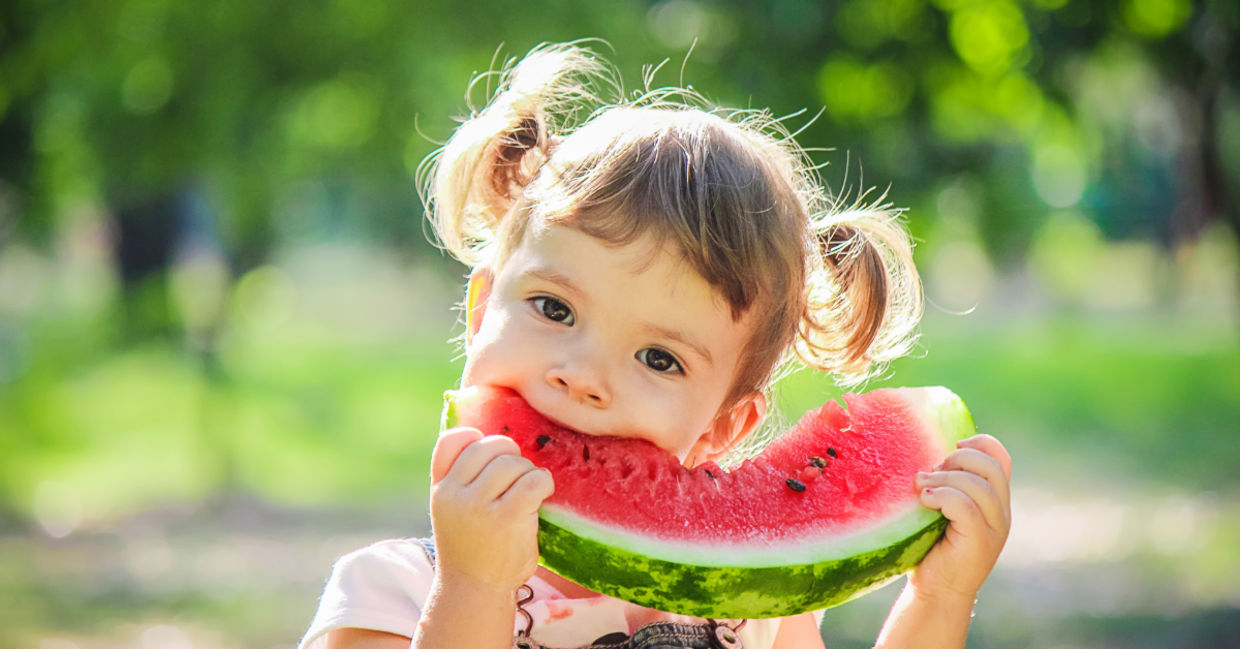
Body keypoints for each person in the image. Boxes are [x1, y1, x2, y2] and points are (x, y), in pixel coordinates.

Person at [299, 42, 1012, 649]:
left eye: (659, 358)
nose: (584, 376)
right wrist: (475, 587)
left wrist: (939, 599)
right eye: (554, 308)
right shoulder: (389, 593)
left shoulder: (754, 609)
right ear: (483, 309)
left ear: (723, 425)